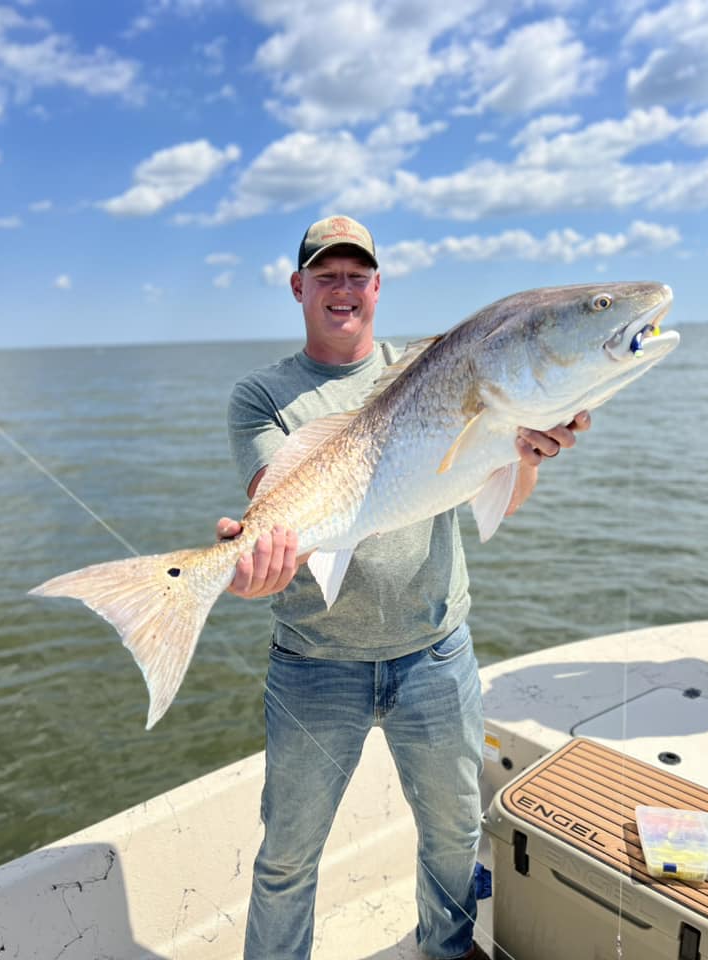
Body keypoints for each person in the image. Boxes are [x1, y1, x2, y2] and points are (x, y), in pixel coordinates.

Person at [218, 215, 591, 960]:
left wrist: (529, 451)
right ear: (299, 287)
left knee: (455, 836)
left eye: (358, 275)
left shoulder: (434, 369)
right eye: (327, 275)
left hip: (435, 655)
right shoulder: (261, 396)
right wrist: (257, 564)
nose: (343, 289)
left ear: (379, 287)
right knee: (288, 855)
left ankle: (444, 952)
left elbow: (500, 499)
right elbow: (288, 514)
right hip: (314, 665)